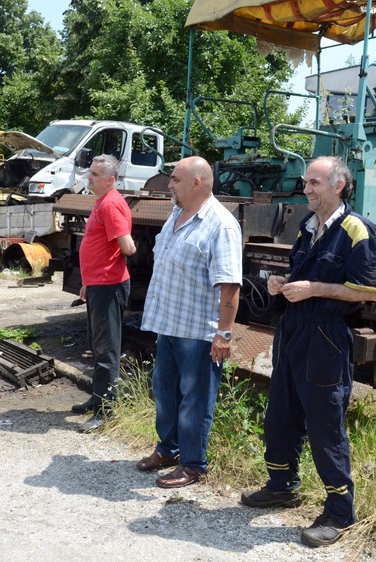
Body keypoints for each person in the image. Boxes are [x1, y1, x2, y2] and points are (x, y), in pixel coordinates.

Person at [240, 156, 376, 547]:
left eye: (314, 183)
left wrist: (313, 289)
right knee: (281, 414)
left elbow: (371, 291)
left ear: (338, 186)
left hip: (326, 337)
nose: (306, 189)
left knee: (325, 426)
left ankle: (340, 513)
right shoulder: (308, 228)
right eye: (306, 182)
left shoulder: (357, 230)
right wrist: (283, 284)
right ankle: (281, 485)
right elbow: (307, 278)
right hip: (293, 331)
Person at [137, 156, 242, 488]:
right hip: (169, 324)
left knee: (195, 399)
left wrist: (223, 335)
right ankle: (167, 449)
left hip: (198, 331)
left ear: (197, 182)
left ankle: (193, 463)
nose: (169, 184)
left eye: (175, 179)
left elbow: (230, 284)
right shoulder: (175, 215)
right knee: (165, 392)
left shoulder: (221, 225)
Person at [70, 155, 136, 432]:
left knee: (107, 349)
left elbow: (128, 247)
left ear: (111, 180)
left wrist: (102, 275)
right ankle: (97, 399)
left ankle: (106, 411)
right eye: (90, 173)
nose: (89, 177)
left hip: (109, 286)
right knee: (97, 346)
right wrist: (89, 280)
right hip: (98, 284)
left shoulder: (110, 205)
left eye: (95, 174)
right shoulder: (102, 201)